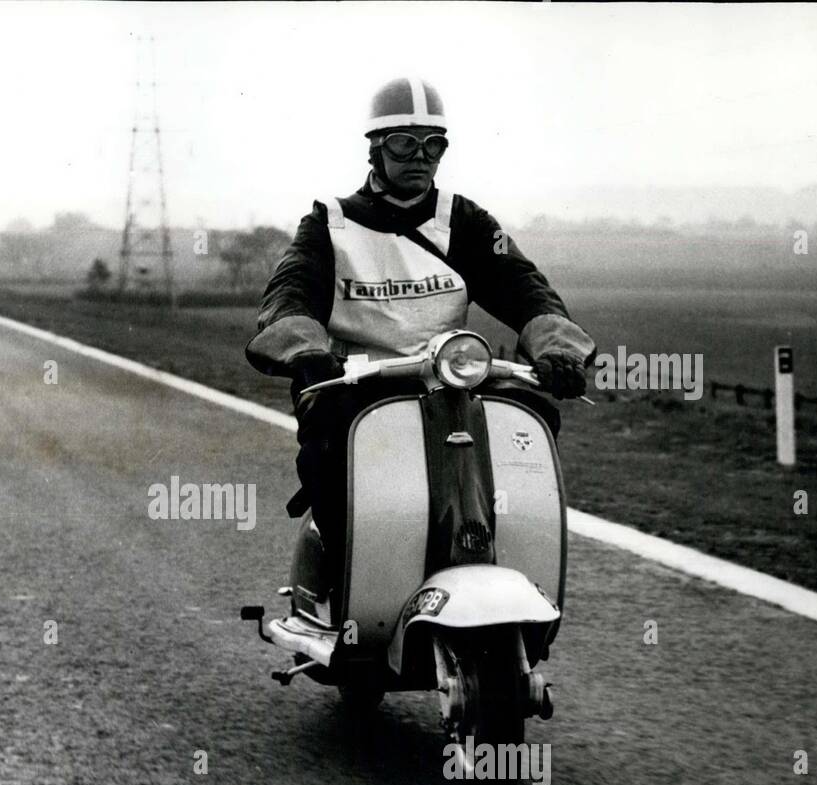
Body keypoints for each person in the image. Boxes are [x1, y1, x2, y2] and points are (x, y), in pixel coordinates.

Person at [245, 75, 596, 605]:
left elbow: (524, 288)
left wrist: (558, 349)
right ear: (376, 149)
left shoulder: (465, 221)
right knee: (326, 445)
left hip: (455, 381)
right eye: (404, 143)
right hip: (356, 382)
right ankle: (349, 589)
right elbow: (290, 294)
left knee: (533, 420)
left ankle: (509, 567)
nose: (421, 157)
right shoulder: (331, 223)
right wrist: (306, 355)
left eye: (434, 145)